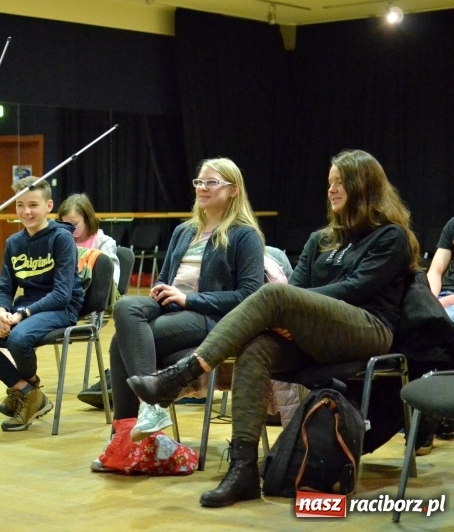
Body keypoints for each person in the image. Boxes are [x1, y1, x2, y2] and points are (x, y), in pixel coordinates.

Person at [127, 149, 420, 508]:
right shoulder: (321, 239)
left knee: (275, 296)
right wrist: (292, 315)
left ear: (363, 187)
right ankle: (244, 469)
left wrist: (293, 311)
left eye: (340, 183)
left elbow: (353, 289)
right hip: (316, 334)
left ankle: (181, 374)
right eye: (329, 184)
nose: (331, 190)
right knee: (256, 349)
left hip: (367, 329)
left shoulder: (390, 237)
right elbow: (295, 291)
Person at [103, 158, 265, 449]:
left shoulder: (245, 235)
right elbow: (164, 278)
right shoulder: (184, 231)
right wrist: (161, 291)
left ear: (233, 190)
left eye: (211, 182)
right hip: (172, 307)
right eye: (199, 182)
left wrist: (188, 298)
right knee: (126, 306)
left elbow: (249, 297)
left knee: (118, 344)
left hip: (209, 316)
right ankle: (146, 414)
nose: (202, 188)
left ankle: (128, 436)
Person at [0, 176, 84, 431]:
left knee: (18, 338)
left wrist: (21, 314)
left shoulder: (61, 238)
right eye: (20, 205)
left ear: (48, 205)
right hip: (25, 306)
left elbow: (62, 294)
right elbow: (5, 287)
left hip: (60, 308)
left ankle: (28, 393)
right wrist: (0, 311)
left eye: (33, 205)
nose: (26, 211)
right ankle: (28, 392)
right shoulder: (13, 243)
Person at [57, 193, 120, 285]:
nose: (69, 228)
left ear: (87, 219)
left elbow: (112, 278)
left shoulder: (104, 242)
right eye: (65, 224)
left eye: (74, 224)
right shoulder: (62, 241)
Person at [426, 213, 454, 333]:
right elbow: (435, 271)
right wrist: (430, 299)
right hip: (443, 296)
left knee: (440, 324)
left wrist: (441, 304)